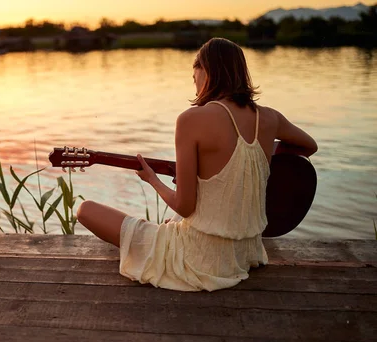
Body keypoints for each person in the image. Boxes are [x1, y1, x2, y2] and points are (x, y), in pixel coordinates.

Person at [76, 38, 318, 291]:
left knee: (86, 209)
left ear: (205, 70)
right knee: (172, 222)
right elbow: (309, 146)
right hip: (245, 254)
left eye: (194, 77)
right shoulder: (270, 117)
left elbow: (185, 206)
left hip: (197, 259)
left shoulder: (192, 119)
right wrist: (260, 165)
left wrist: (153, 180)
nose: (195, 86)